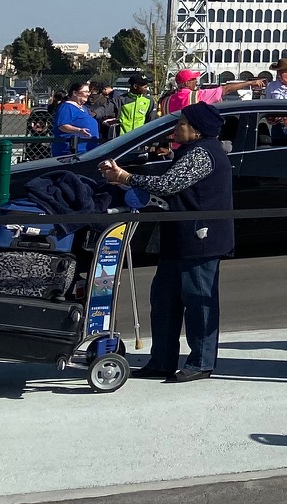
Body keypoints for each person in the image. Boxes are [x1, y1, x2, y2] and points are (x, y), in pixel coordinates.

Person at [100, 102, 233, 382]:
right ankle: (161, 360)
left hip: (201, 240)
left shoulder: (203, 153)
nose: (175, 128)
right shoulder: (191, 151)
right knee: (163, 300)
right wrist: (125, 182)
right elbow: (167, 190)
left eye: (181, 123)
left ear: (196, 131)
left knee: (199, 301)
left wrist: (126, 176)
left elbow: (169, 184)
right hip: (178, 237)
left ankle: (201, 362)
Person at [50, 77, 99, 159]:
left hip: (88, 151)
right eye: (85, 91)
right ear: (75, 93)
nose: (88, 94)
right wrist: (79, 130)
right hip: (72, 152)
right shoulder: (66, 107)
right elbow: (62, 125)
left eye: (89, 92)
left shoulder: (84, 108)